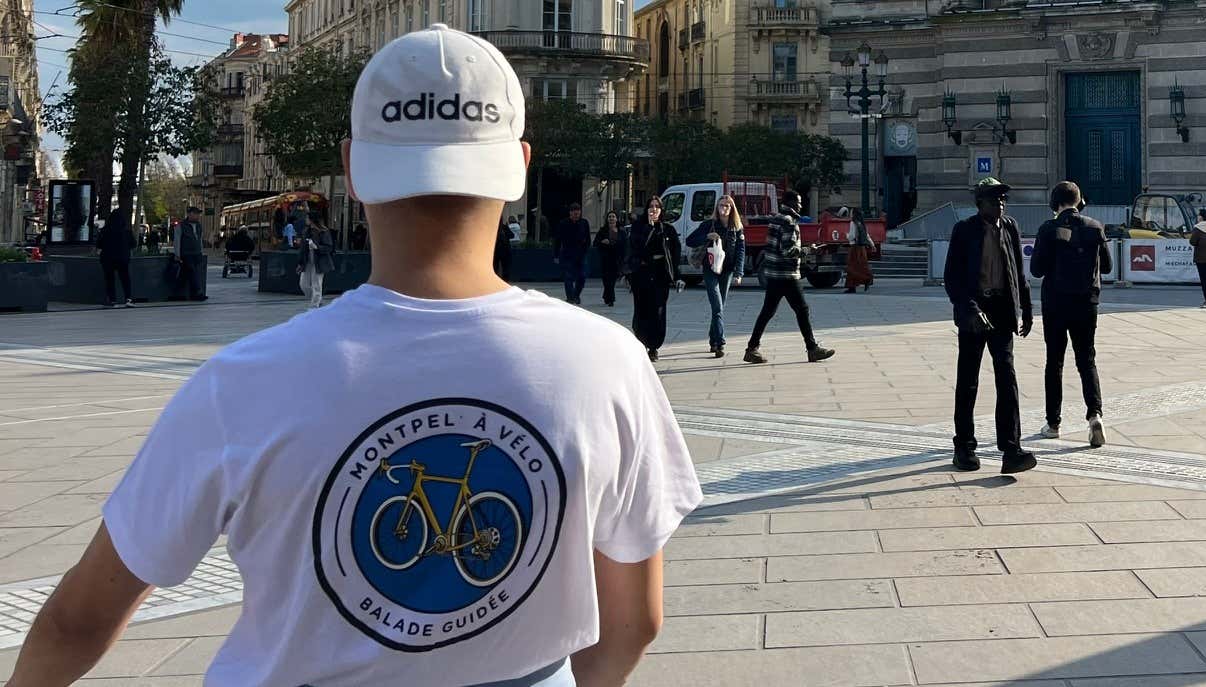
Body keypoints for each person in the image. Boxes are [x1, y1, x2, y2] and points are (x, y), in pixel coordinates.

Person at [10, 26, 700, 687]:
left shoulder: (243, 381)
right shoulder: (610, 361)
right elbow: (635, 619)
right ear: (519, 166)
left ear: (352, 166)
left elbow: (79, 619)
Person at [944, 177, 1038, 474]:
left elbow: (1018, 271)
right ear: (979, 203)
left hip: (1002, 310)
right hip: (974, 310)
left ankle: (1011, 449)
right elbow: (952, 279)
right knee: (969, 380)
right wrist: (970, 309)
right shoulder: (964, 231)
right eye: (993, 199)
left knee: (1007, 378)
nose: (999, 203)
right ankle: (964, 447)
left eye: (1002, 199)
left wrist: (1027, 308)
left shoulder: (1009, 227)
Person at [1029, 181, 1111, 446]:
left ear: (1055, 203)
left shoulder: (1048, 229)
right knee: (1087, 360)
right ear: (1080, 202)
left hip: (1055, 304)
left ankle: (1053, 423)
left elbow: (1037, 270)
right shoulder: (1095, 227)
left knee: (1055, 363)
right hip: (1087, 303)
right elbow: (1107, 267)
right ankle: (1094, 415)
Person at [745, 192, 836, 364]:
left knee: (767, 312)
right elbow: (788, 251)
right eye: (799, 202)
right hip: (786, 274)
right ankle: (812, 349)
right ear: (791, 202)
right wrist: (809, 250)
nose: (801, 205)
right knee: (802, 310)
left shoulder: (776, 219)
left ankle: (752, 348)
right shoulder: (788, 221)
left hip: (773, 273)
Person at [685, 196, 747, 358]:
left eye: (727, 206)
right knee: (717, 307)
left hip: (727, 270)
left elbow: (741, 251)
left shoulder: (737, 228)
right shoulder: (708, 225)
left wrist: (739, 273)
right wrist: (707, 236)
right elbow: (689, 240)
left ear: (732, 209)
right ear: (717, 208)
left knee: (719, 308)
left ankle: (713, 339)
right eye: (721, 205)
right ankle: (720, 343)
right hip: (710, 269)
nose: (724, 208)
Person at [626, 196, 679, 361]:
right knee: (641, 310)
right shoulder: (638, 227)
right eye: (651, 206)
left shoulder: (667, 229)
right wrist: (648, 229)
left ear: (661, 210)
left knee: (658, 310)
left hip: (660, 274)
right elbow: (635, 248)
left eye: (657, 207)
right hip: (641, 273)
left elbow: (674, 254)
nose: (654, 209)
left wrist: (677, 276)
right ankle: (642, 341)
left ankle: (654, 346)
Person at [554, 202, 592, 305]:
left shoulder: (584, 223)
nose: (576, 215)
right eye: (574, 213)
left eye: (578, 212)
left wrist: (585, 250)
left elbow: (588, 238)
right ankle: (570, 298)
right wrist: (556, 255)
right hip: (567, 254)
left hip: (581, 254)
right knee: (568, 277)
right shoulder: (563, 223)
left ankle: (576, 295)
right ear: (570, 213)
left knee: (582, 276)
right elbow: (558, 239)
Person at [95, 209, 135, 308]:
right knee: (125, 278)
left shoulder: (105, 230)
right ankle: (128, 299)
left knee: (110, 279)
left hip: (108, 258)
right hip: (123, 258)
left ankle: (113, 300)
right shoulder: (127, 231)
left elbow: (99, 244)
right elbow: (133, 244)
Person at [172, 206, 207, 302]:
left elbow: (199, 239)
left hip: (196, 253)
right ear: (189, 214)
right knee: (192, 272)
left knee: (185, 274)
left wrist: (201, 251)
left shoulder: (199, 225)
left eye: (198, 214)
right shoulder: (181, 225)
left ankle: (177, 294)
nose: (197, 216)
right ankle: (198, 292)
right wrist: (177, 254)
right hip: (186, 253)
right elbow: (177, 240)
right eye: (195, 213)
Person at [298, 218, 335, 309]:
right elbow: (302, 249)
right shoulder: (306, 231)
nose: (306, 220)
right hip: (307, 261)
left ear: (312, 220)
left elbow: (329, 247)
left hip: (319, 261)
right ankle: (318, 299)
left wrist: (316, 247)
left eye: (307, 218)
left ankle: (314, 305)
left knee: (317, 284)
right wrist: (300, 262)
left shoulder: (324, 231)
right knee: (303, 284)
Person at [596, 210, 628, 307]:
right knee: (606, 280)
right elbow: (596, 243)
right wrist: (602, 242)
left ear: (616, 219)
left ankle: (609, 298)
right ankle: (609, 297)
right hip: (606, 259)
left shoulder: (622, 231)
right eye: (609, 217)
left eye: (613, 216)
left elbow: (626, 245)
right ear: (607, 219)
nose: (611, 218)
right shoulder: (602, 230)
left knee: (612, 280)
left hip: (616, 259)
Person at [844, 215, 875, 294]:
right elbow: (867, 236)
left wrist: (846, 236)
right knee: (861, 266)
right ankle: (854, 286)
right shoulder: (862, 223)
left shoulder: (852, 223)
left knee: (852, 267)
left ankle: (864, 280)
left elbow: (852, 236)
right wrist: (872, 245)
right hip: (862, 248)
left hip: (854, 248)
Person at [494, 215, 514, 280]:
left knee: (495, 267)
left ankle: (496, 279)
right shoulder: (504, 227)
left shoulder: (494, 228)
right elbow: (512, 235)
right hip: (505, 250)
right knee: (505, 267)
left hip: (497, 251)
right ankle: (505, 280)